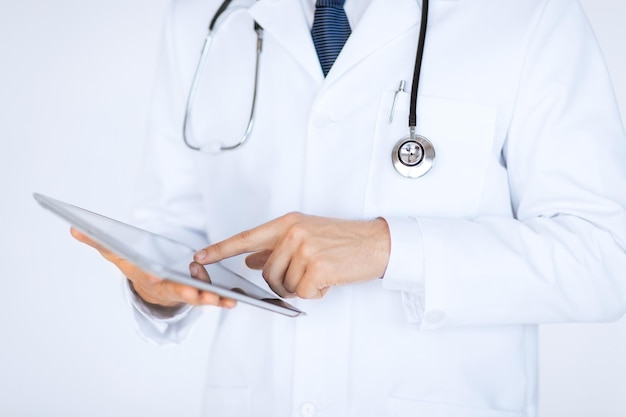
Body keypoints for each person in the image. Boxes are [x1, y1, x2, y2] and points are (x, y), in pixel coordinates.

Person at [73, 0, 626, 415]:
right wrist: (157, 289)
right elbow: (172, 223)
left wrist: (390, 247)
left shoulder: (527, 14)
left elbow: (604, 260)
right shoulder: (206, 14)